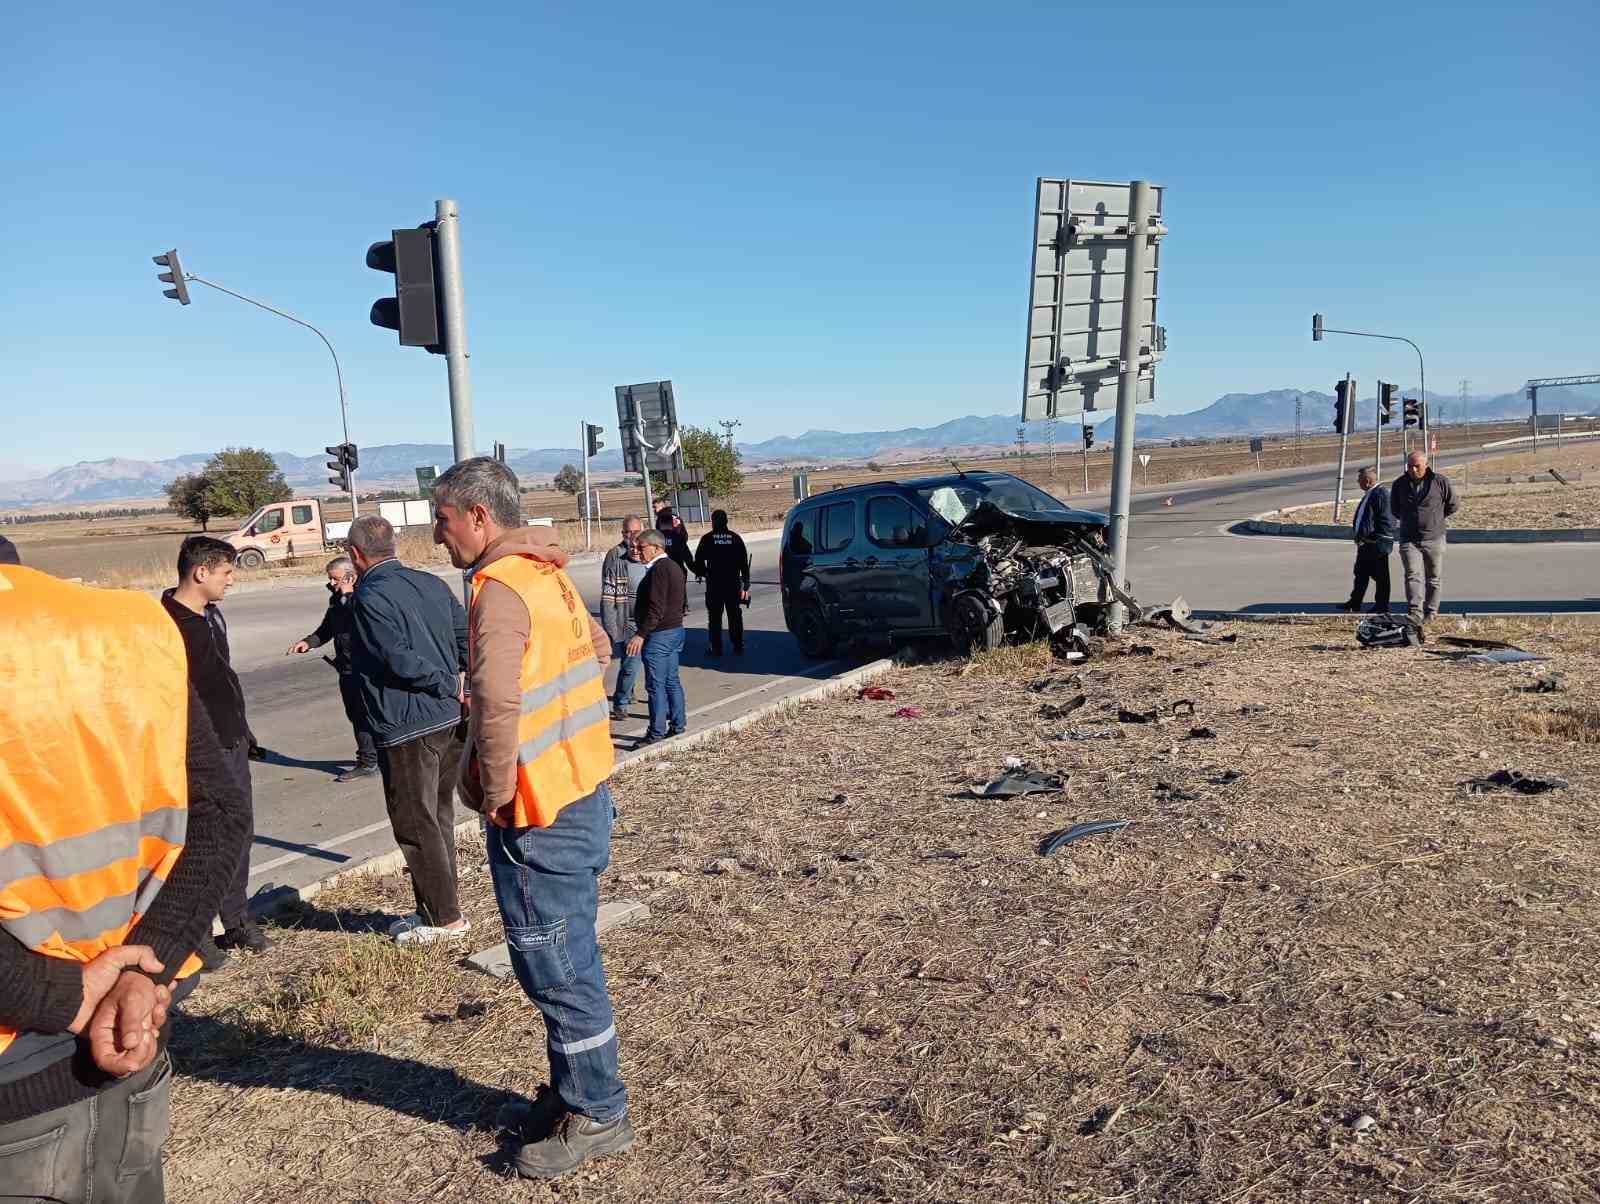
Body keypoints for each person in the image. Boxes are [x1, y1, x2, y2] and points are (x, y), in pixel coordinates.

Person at [0, 561, 251, 1203]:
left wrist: (64, 996)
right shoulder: (133, 626)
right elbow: (220, 814)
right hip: (133, 1041)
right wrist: (145, 970)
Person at [428, 458, 634, 1179]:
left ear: (479, 517)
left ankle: (600, 1112)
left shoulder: (501, 586)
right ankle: (575, 1093)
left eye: (442, 519)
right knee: (566, 955)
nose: (435, 535)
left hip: (539, 808)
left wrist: (486, 791)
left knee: (556, 964)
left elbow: (496, 703)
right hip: (582, 789)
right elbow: (598, 651)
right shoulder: (544, 573)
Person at [346, 514, 471, 945]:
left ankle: (445, 920)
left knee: (416, 823)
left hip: (406, 724)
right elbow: (464, 637)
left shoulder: (369, 597)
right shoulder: (431, 583)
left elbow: (394, 658)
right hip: (449, 717)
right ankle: (437, 907)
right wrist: (462, 684)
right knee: (437, 815)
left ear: (355, 555)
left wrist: (445, 683)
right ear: (393, 546)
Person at [160, 536, 266, 959]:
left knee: (240, 832)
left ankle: (237, 921)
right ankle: (196, 933)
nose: (232, 580)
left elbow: (223, 677)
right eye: (226, 572)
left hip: (231, 738)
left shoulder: (211, 615)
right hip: (197, 750)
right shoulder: (167, 624)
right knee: (203, 842)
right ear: (201, 572)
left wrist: (243, 730)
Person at [286, 555, 377, 781]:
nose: (332, 584)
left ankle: (368, 762)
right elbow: (327, 628)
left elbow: (362, 620)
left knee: (364, 715)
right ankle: (374, 756)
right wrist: (309, 642)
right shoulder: (336, 600)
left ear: (351, 576)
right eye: (330, 580)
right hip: (346, 668)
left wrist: (348, 594)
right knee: (356, 715)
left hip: (366, 669)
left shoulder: (365, 596)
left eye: (336, 579)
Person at [628, 529, 687, 744]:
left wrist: (641, 634)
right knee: (671, 681)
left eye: (641, 547)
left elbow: (656, 608)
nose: (637, 551)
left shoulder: (660, 569)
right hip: (674, 631)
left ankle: (656, 732)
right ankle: (678, 724)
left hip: (661, 635)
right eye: (635, 547)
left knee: (656, 685)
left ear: (656, 547)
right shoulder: (672, 566)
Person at [1391, 450, 1458, 627]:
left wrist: (1434, 519)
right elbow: (1395, 509)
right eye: (1410, 466)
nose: (1413, 470)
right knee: (1412, 575)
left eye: (1417, 466)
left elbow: (1452, 505)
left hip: (1434, 537)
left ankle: (1431, 612)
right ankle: (1414, 612)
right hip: (1409, 538)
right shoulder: (1399, 484)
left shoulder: (1440, 482)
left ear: (1426, 465)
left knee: (1433, 577)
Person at [600, 516, 646, 719]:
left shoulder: (650, 554)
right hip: (627, 620)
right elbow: (608, 594)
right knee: (630, 663)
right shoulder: (616, 556)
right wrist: (611, 627)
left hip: (648, 619)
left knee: (639, 663)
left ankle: (630, 691)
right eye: (627, 532)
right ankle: (621, 702)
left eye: (635, 532)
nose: (631, 537)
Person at [1340, 467, 1396, 615]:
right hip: (1366, 542)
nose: (1358, 482)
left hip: (1376, 543)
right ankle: (1355, 602)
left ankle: (1382, 606)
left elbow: (1387, 520)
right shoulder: (1371, 493)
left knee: (1381, 576)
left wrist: (1379, 538)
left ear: (1368, 481)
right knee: (1361, 573)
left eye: (1359, 480)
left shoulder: (1381, 494)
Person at [693, 509, 750, 656]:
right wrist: (746, 584)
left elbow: (698, 560)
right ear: (726, 521)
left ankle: (716, 647)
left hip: (714, 584)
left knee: (714, 618)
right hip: (732, 583)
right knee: (735, 615)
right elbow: (744, 563)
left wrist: (704, 573)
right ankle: (738, 645)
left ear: (713, 522)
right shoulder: (735, 538)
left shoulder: (707, 538)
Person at [655, 506, 695, 577]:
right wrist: (697, 571)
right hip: (677, 572)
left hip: (660, 574)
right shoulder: (677, 538)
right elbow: (688, 558)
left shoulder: (654, 539)